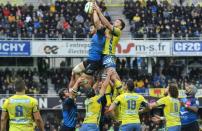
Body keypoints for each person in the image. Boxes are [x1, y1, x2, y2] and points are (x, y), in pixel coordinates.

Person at [69, 8, 106, 89]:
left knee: (83, 79)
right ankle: (90, 83)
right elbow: (94, 22)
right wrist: (91, 13)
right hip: (90, 60)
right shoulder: (95, 35)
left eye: (92, 28)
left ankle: (90, 93)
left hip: (95, 61)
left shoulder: (100, 34)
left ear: (97, 28)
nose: (90, 29)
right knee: (75, 71)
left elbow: (96, 22)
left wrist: (96, 10)